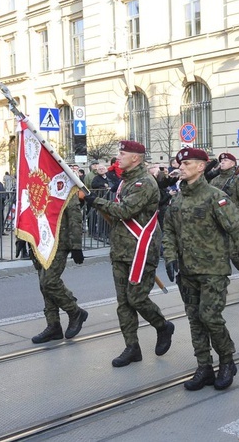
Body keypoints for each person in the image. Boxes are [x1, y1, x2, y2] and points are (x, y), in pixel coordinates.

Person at [163, 147, 239, 391]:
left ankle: (227, 361)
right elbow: (169, 232)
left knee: (210, 317)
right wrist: (170, 258)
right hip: (187, 271)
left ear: (201, 167)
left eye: (187, 165)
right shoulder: (177, 198)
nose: (182, 168)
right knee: (195, 320)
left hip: (213, 270)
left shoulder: (215, 196)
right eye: (181, 165)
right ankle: (204, 367)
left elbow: (238, 231)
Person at [83, 140, 174, 368]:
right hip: (122, 249)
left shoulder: (144, 182)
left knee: (137, 298)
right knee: (123, 302)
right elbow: (117, 215)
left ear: (135, 157)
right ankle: (132, 347)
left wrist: (95, 201)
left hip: (141, 250)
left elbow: (124, 211)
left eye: (122, 153)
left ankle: (162, 326)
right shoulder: (125, 181)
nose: (118, 157)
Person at [30, 200, 88, 343]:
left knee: (49, 281)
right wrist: (21, 238)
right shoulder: (37, 182)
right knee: (43, 285)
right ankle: (53, 325)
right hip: (39, 240)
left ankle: (75, 311)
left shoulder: (63, 181)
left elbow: (74, 216)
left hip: (59, 241)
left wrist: (76, 245)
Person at [209, 152, 239, 290]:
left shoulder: (238, 179)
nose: (222, 162)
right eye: (221, 161)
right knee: (219, 255)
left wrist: (236, 217)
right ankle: (222, 283)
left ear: (233, 164)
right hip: (218, 223)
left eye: (226, 160)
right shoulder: (215, 181)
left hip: (233, 222)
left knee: (234, 254)